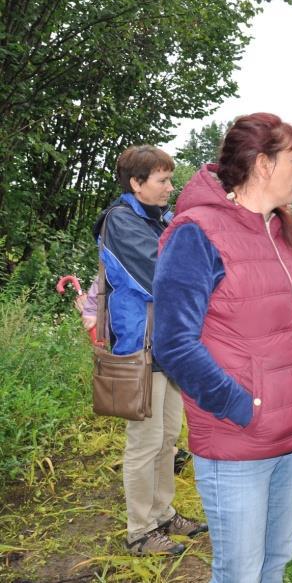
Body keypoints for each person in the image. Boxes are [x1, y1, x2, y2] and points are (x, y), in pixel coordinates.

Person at [152, 113, 292, 582]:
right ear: (263, 164)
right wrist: (240, 406)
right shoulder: (195, 233)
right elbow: (173, 344)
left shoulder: (285, 232)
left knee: (275, 563)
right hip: (240, 437)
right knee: (240, 572)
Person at [92, 145, 207, 556]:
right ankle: (139, 531)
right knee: (144, 443)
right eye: (162, 180)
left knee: (168, 439)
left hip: (169, 346)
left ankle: (163, 513)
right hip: (141, 347)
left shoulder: (160, 220)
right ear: (137, 183)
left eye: (170, 179)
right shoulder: (121, 222)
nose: (169, 188)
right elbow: (161, 273)